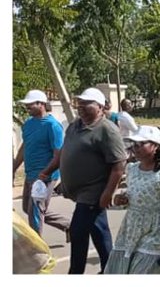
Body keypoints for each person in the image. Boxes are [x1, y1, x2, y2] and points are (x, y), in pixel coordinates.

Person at [37, 87, 127, 274]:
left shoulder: (106, 129)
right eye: (80, 103)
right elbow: (63, 152)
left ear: (101, 107)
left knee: (78, 232)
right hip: (78, 193)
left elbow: (119, 165)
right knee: (99, 232)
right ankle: (111, 269)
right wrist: (47, 171)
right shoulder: (75, 125)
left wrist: (107, 194)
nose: (82, 107)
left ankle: (76, 273)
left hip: (93, 192)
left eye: (87, 104)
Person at [101, 125, 160, 276]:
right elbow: (133, 195)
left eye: (141, 144)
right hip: (130, 229)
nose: (135, 148)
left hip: (155, 232)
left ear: (156, 146)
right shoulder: (132, 169)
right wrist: (121, 200)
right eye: (134, 144)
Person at [18, 90, 66, 233]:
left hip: (45, 176)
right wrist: (14, 167)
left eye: (30, 104)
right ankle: (69, 225)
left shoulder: (53, 126)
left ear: (41, 104)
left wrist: (45, 174)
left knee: (35, 214)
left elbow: (58, 155)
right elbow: (24, 146)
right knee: (28, 208)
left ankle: (38, 253)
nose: (27, 107)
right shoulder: (28, 124)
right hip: (30, 173)